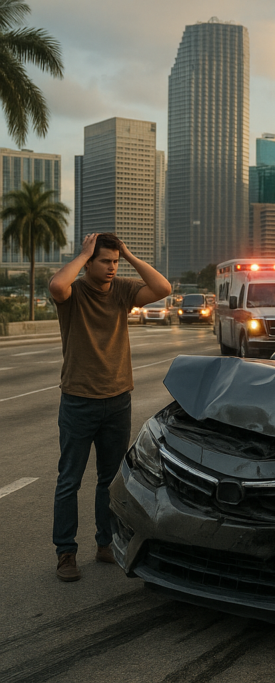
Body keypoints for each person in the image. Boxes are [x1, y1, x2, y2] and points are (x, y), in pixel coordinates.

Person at [48, 232, 171, 582]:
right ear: (89, 262)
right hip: (78, 399)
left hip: (117, 399)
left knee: (110, 479)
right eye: (105, 261)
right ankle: (65, 553)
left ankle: (105, 543)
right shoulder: (75, 293)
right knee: (69, 480)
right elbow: (58, 285)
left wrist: (129, 255)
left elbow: (162, 289)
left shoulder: (122, 290)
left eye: (115, 262)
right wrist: (84, 254)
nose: (111, 268)